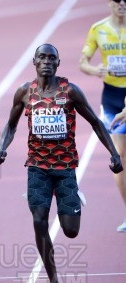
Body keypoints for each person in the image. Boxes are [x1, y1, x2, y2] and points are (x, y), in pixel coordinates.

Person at [0, 44, 123, 283]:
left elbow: (96, 123)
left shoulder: (70, 91)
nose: (46, 62)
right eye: (42, 57)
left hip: (65, 169)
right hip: (37, 168)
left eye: (51, 58)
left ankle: (74, 197)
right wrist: (2, 149)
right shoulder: (24, 92)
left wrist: (114, 153)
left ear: (58, 63)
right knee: (39, 221)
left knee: (70, 231)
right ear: (34, 61)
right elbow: (10, 126)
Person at [79, 0, 126, 232]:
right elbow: (83, 62)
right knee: (120, 155)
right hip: (112, 97)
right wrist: (94, 70)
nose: (123, 4)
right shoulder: (98, 29)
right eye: (118, 0)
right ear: (110, 3)